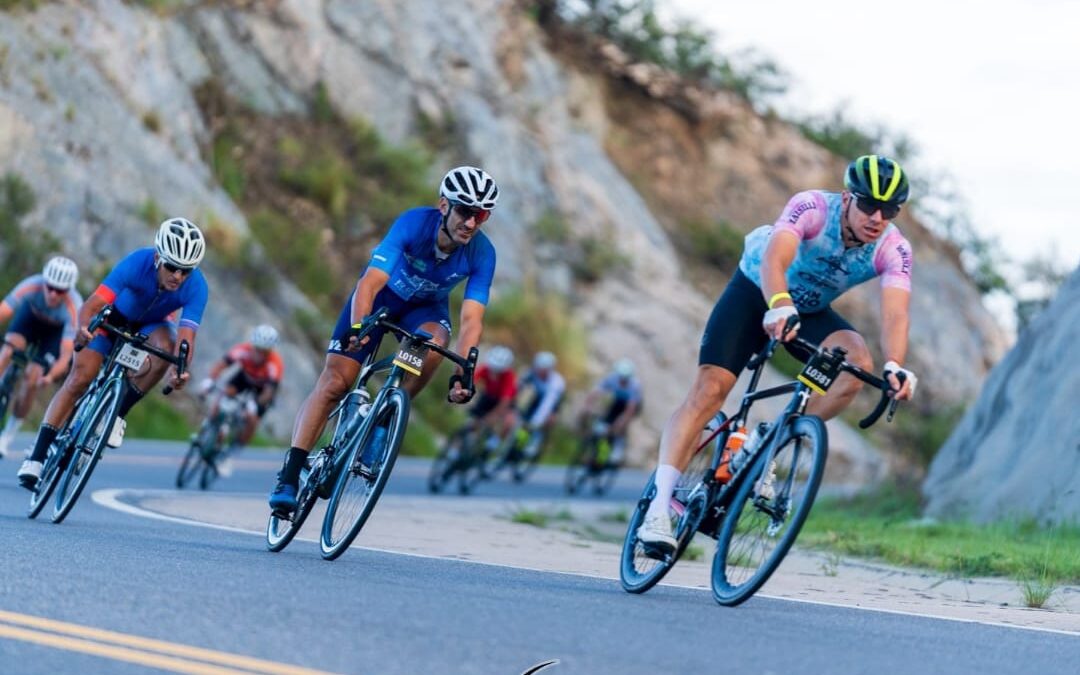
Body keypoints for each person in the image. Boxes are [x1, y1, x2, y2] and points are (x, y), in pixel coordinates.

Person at [637, 155, 919, 552]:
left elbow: (895, 313)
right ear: (847, 197)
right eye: (869, 204)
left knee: (856, 364)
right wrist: (780, 303)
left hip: (809, 311)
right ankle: (658, 509)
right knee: (710, 390)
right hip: (755, 291)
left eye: (889, 210)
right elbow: (776, 258)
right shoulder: (813, 207)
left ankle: (772, 439)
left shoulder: (894, 248)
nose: (877, 217)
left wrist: (895, 366)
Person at [268, 166, 500, 513]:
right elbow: (371, 282)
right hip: (381, 300)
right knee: (335, 383)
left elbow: (471, 320)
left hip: (424, 311)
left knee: (435, 342)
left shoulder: (483, 253)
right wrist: (358, 328)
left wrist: (462, 372)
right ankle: (289, 475)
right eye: (465, 211)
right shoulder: (413, 224)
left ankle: (387, 413)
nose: (471, 223)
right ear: (444, 206)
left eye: (480, 215)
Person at [17, 218, 208, 489]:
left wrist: (180, 370)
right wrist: (83, 329)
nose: (178, 276)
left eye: (185, 270)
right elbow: (93, 305)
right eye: (172, 267)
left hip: (152, 327)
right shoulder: (137, 262)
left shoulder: (197, 286)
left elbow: (186, 339)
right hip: (113, 318)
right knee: (80, 379)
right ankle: (36, 457)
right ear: (158, 258)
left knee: (168, 347)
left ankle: (118, 414)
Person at [0, 257, 82, 458]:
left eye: (60, 291)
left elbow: (66, 356)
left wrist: (50, 377)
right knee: (8, 349)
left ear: (68, 290)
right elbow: (4, 310)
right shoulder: (31, 285)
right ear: (44, 282)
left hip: (54, 335)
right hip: (30, 319)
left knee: (32, 377)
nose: (53, 294)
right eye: (50, 287)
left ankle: (7, 436)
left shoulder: (74, 306)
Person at [198, 324, 284, 477]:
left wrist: (256, 404)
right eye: (257, 349)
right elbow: (221, 365)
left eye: (264, 351)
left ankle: (232, 453)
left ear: (270, 351)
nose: (259, 354)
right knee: (224, 393)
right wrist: (209, 381)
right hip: (244, 378)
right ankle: (209, 425)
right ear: (252, 345)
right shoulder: (243, 350)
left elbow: (269, 392)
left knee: (252, 419)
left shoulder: (275, 363)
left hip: (262, 390)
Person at [579, 358, 642, 467]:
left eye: (625, 379)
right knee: (603, 422)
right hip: (617, 402)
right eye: (621, 377)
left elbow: (630, 409)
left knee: (620, 425)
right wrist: (587, 407)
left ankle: (618, 449)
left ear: (630, 377)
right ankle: (595, 452)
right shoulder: (612, 378)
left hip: (631, 405)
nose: (623, 381)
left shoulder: (634, 386)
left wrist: (621, 421)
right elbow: (595, 393)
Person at [510, 350, 566, 460]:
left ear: (550, 369)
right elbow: (518, 388)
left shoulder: (556, 382)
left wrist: (539, 420)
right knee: (524, 422)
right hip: (534, 398)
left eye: (544, 369)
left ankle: (536, 441)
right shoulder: (530, 373)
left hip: (551, 403)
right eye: (538, 368)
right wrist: (513, 407)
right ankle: (516, 446)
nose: (540, 371)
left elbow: (549, 404)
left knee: (540, 422)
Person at [463, 344, 518, 450]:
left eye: (498, 370)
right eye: (493, 368)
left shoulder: (509, 377)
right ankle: (463, 446)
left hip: (506, 402)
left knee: (507, 422)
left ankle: (493, 444)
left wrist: (493, 416)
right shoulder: (485, 368)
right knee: (473, 423)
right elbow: (471, 380)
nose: (494, 372)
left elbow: (505, 402)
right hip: (489, 396)